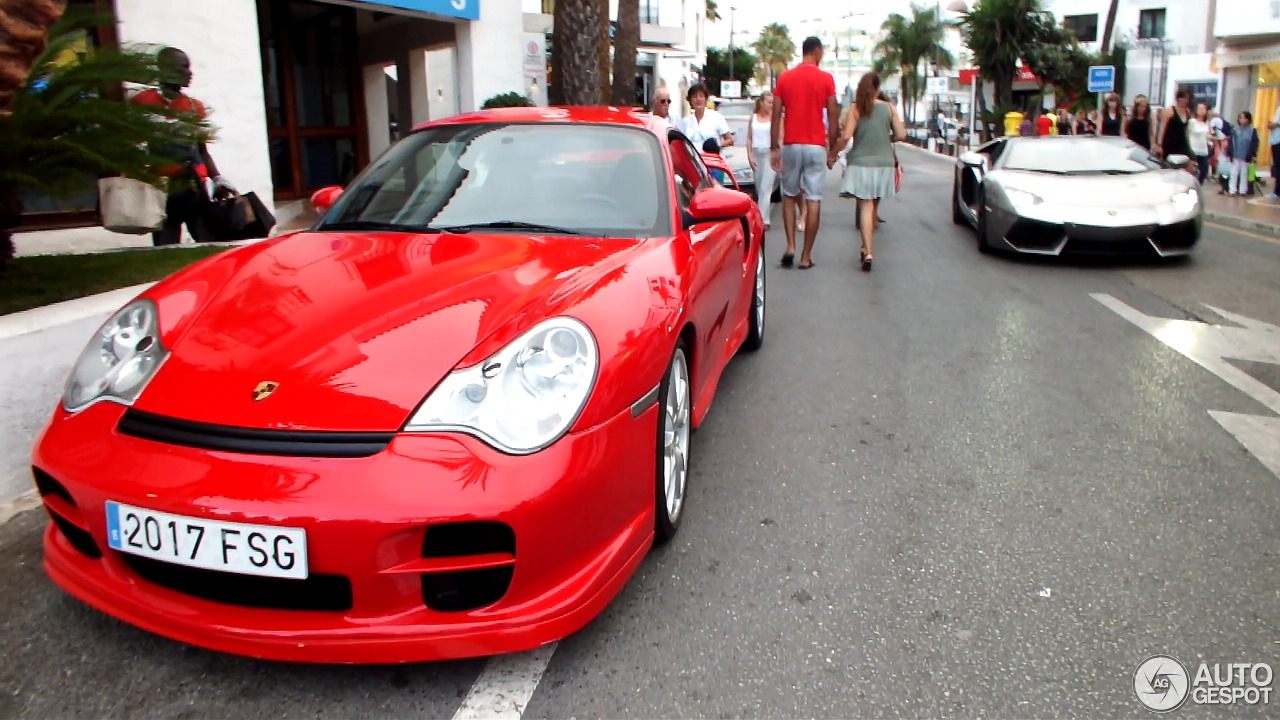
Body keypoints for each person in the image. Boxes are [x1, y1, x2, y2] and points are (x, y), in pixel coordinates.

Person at [131, 47, 233, 246]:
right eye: (182, 68)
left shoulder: (195, 107)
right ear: (164, 70)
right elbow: (133, 141)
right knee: (165, 247)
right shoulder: (142, 102)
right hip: (162, 189)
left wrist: (217, 178)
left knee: (207, 244)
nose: (190, 73)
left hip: (193, 187)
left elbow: (202, 150)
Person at [770, 36, 840, 270]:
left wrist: (773, 146)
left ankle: (790, 245)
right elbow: (832, 114)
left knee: (789, 195)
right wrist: (832, 149)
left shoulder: (785, 78)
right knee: (814, 199)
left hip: (791, 143)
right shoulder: (826, 79)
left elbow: (776, 113)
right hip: (815, 145)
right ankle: (806, 256)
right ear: (817, 51)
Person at [834, 72, 905, 272]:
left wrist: (832, 155)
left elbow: (846, 136)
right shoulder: (889, 108)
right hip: (883, 164)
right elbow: (901, 134)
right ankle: (865, 247)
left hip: (860, 163)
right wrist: (885, 138)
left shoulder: (855, 109)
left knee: (865, 205)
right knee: (871, 205)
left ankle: (869, 251)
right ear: (877, 89)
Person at [746, 91, 777, 228]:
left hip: (769, 153)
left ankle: (761, 220)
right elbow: (749, 138)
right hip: (757, 152)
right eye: (769, 102)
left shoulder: (775, 119)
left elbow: (779, 138)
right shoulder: (753, 118)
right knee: (759, 187)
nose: (771, 105)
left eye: (772, 102)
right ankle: (766, 216)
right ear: (761, 102)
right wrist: (750, 155)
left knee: (766, 186)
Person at [680, 83, 733, 150]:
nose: (698, 99)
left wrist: (717, 146)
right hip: (692, 159)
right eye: (694, 97)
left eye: (701, 96)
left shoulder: (716, 117)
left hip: (711, 158)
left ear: (706, 99)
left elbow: (730, 139)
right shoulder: (685, 121)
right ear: (690, 100)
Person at [1226, 111, 1259, 197]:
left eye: (1243, 117)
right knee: (1234, 173)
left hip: (1246, 155)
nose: (1241, 119)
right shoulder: (1235, 130)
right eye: (1240, 118)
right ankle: (1232, 190)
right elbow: (1230, 142)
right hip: (1235, 154)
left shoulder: (1252, 131)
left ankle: (1243, 190)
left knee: (1244, 173)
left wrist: (1253, 154)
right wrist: (1229, 153)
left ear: (1248, 119)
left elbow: (1255, 143)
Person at [1156, 88, 1193, 160]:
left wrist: (1189, 145)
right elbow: (1162, 128)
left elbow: (1186, 130)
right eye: (1183, 98)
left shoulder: (1187, 112)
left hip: (1182, 143)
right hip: (1170, 143)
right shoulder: (1169, 111)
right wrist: (1159, 144)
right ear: (1178, 98)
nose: (1185, 101)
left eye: (1187, 99)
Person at [1187, 102, 1212, 184]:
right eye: (1199, 109)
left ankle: (1199, 187)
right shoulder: (1192, 122)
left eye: (1203, 109)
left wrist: (1211, 141)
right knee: (1192, 172)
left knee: (1203, 171)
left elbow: (1207, 136)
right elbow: (1188, 133)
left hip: (1204, 151)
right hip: (1194, 150)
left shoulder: (1206, 124)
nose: (1201, 111)